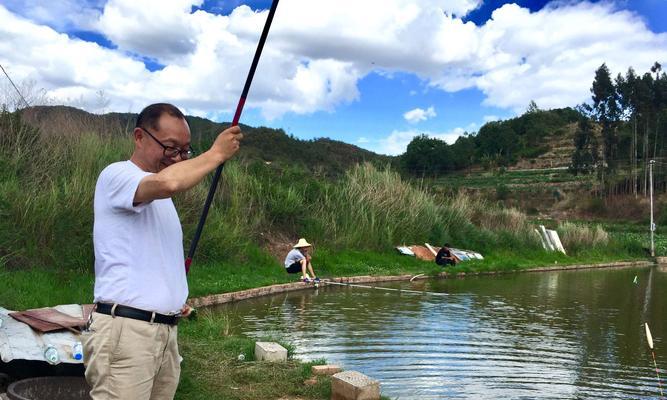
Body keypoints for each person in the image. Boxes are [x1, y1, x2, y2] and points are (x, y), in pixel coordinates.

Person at [82, 103, 242, 400]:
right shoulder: (117, 176)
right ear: (140, 137)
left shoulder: (161, 202)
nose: (178, 158)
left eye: (185, 151)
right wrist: (216, 153)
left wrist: (173, 296)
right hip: (126, 332)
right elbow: (169, 182)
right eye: (170, 148)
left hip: (165, 332)